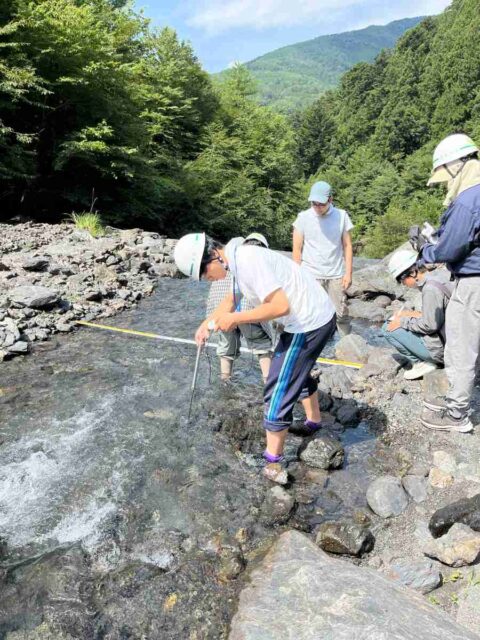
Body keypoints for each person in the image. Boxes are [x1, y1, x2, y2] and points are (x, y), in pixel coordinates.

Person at [174, 232, 336, 480]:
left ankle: (273, 463)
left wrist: (235, 318)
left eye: (204, 274)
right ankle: (313, 421)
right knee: (296, 372)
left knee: (277, 385)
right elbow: (231, 298)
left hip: (309, 323)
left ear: (213, 256)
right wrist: (206, 324)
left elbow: (280, 307)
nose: (207, 280)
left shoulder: (248, 261)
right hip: (314, 315)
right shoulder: (238, 260)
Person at [409, 133, 480, 433]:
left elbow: (450, 248)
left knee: (461, 346)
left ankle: (456, 416)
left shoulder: (467, 199)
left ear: (456, 165)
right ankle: (457, 401)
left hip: (474, 280)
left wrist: (424, 251)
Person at [206, 233, 273, 382]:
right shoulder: (254, 261)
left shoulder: (225, 257)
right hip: (247, 309)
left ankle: (225, 380)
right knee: (261, 345)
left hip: (220, 309)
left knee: (226, 345)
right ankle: (268, 382)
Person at [292, 180, 353, 336]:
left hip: (336, 274)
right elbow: (297, 249)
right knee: (309, 312)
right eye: (314, 204)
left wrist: (348, 273)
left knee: (341, 314)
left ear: (330, 200)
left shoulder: (342, 216)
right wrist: (296, 274)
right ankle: (310, 345)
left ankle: (346, 347)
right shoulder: (303, 218)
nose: (317, 207)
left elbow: (347, 246)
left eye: (321, 204)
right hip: (310, 273)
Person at [382, 249, 453, 380]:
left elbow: (430, 326)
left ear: (411, 273)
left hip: (446, 351)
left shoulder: (430, 289)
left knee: (387, 328)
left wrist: (402, 322)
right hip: (456, 341)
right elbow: (440, 314)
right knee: (403, 317)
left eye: (402, 281)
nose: (404, 284)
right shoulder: (440, 275)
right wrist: (410, 313)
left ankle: (423, 363)